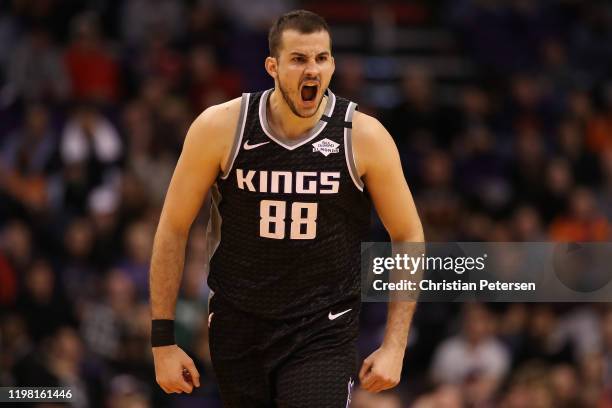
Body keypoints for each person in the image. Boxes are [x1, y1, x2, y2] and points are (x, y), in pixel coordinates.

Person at [149, 9, 423, 407]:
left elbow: (409, 235)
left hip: (323, 329)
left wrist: (395, 345)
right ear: (272, 67)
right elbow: (173, 227)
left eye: (321, 58)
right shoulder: (221, 127)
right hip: (238, 324)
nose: (312, 70)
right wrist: (163, 341)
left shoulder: (363, 136)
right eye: (298, 59)